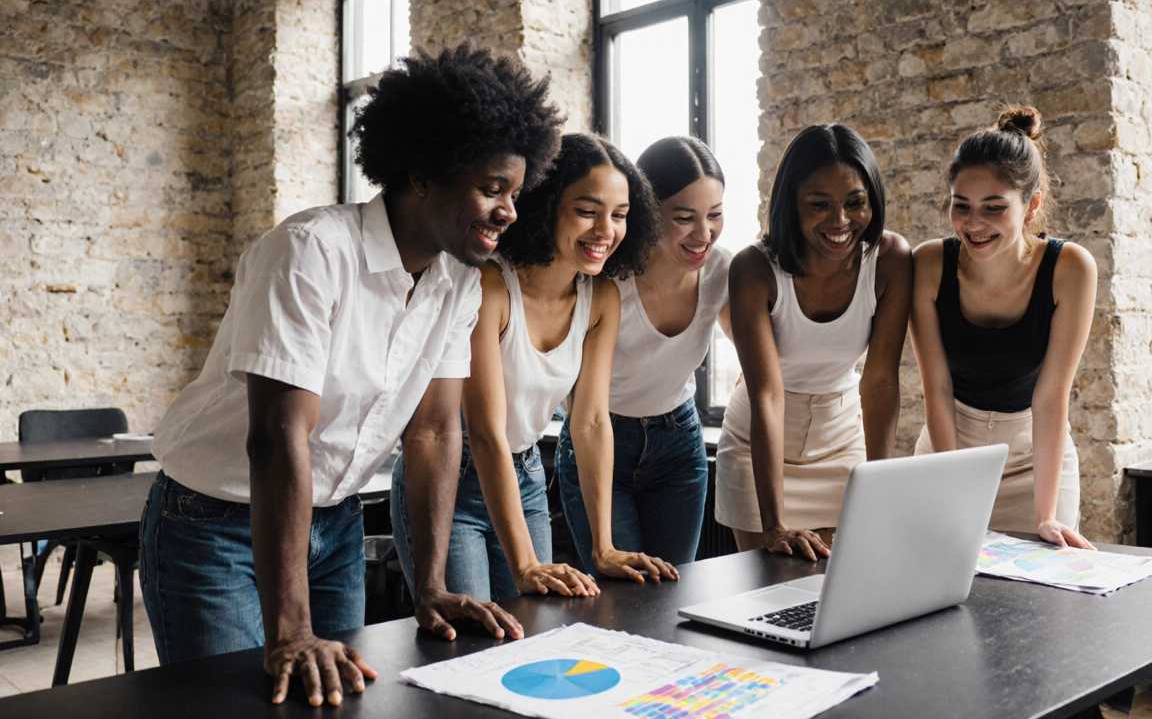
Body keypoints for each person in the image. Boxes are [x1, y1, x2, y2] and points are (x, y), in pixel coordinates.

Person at [141, 44, 563, 706]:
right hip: (213, 526)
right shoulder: (309, 252)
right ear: (422, 173)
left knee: (336, 702)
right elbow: (278, 439)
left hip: (334, 524)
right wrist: (293, 628)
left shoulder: (458, 281)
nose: (508, 210)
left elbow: (432, 431)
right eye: (490, 188)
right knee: (237, 704)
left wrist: (430, 586)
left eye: (514, 191)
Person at [392, 132, 677, 604]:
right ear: (546, 206)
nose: (606, 230)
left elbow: (589, 421)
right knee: (472, 644)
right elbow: (484, 432)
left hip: (524, 479)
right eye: (588, 210)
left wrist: (603, 547)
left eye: (620, 215)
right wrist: (524, 563)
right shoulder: (488, 286)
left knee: (537, 632)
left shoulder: (601, 297)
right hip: (450, 479)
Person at [716, 124, 912, 560]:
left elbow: (879, 383)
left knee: (841, 586)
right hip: (758, 448)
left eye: (855, 203)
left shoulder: (890, 260)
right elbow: (767, 393)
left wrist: (875, 493)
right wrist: (775, 524)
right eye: (819, 205)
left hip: (841, 440)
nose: (840, 221)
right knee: (768, 589)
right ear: (792, 205)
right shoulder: (754, 268)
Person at [910, 106, 1097, 550]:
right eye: (962, 206)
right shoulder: (929, 263)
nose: (974, 224)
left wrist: (1046, 514)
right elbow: (935, 388)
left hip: (1036, 461)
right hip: (949, 450)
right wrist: (956, 491)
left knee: (1040, 603)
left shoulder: (1071, 267)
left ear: (1032, 205)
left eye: (994, 208)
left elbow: (1050, 399)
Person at [556, 136, 731, 570]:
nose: (703, 234)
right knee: (619, 599)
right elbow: (575, 396)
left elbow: (762, 359)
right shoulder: (606, 278)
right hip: (601, 441)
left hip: (680, 446)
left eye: (715, 215)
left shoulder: (720, 271)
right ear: (649, 214)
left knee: (673, 591)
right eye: (685, 218)